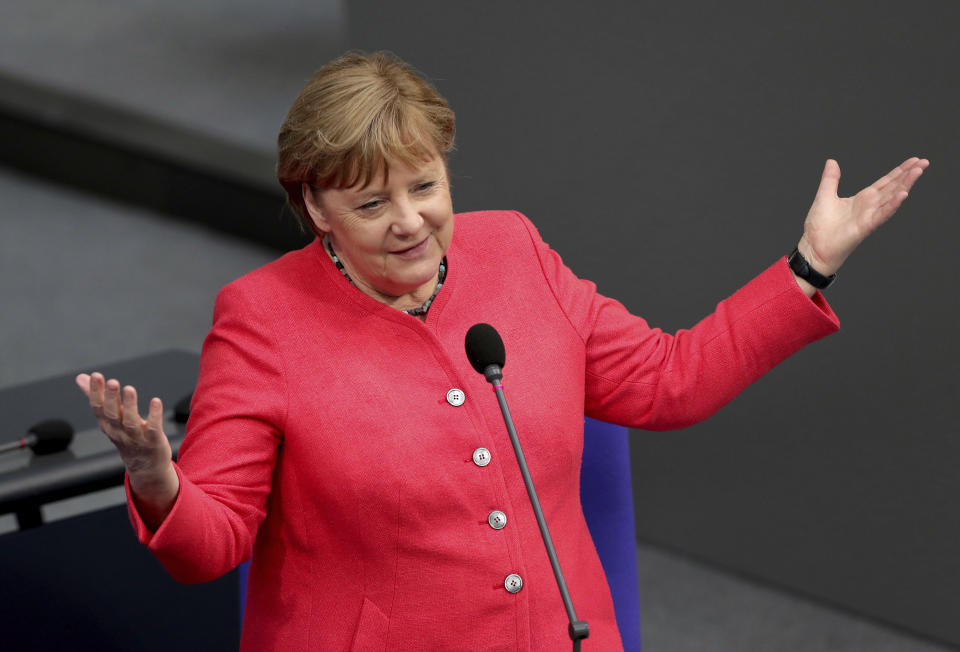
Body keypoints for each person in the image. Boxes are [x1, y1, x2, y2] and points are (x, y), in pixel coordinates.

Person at [75, 51, 928, 651]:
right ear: (315, 207)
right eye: (371, 204)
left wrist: (809, 265)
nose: (410, 220)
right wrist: (161, 484)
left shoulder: (514, 251)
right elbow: (210, 544)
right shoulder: (261, 319)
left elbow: (669, 382)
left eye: (425, 186)